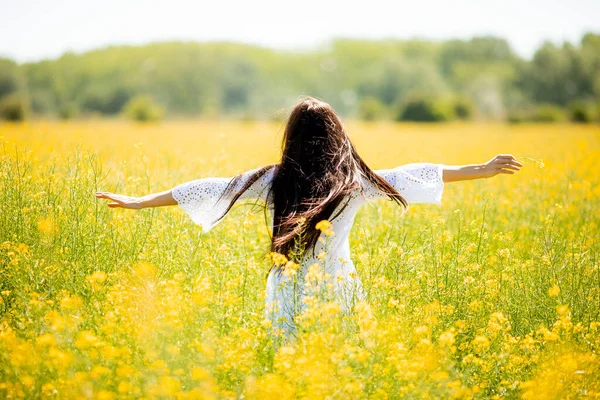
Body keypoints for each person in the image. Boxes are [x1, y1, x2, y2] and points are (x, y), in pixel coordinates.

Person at [95, 96, 523, 339]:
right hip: (339, 284)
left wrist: (137, 201)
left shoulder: (275, 179)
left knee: (291, 361)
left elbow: (209, 187)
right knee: (343, 360)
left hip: (287, 286)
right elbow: (412, 174)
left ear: (292, 138)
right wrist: (481, 169)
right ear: (338, 135)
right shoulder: (356, 181)